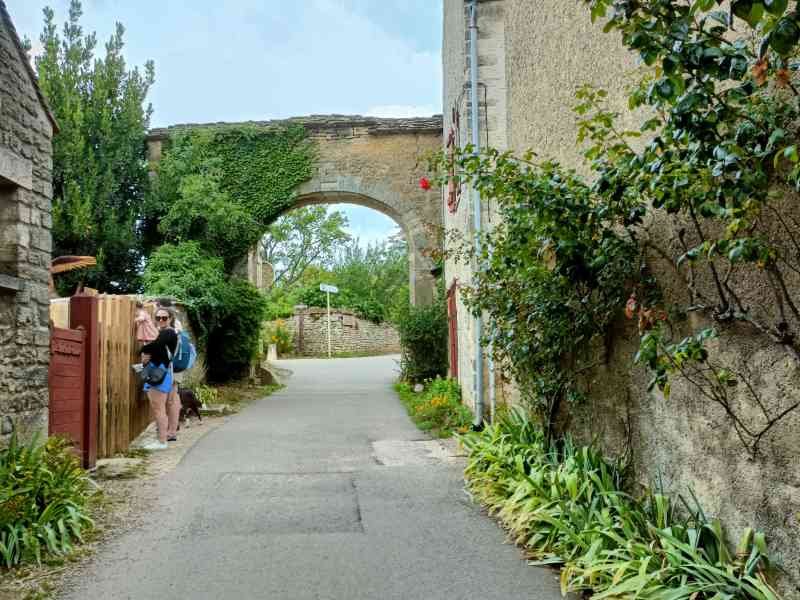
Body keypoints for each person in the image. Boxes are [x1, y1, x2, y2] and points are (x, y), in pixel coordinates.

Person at [140, 307, 179, 450]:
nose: (161, 320)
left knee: (158, 409)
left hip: (159, 374)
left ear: (170, 318)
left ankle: (161, 441)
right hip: (161, 373)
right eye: (158, 318)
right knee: (159, 408)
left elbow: (156, 346)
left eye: (164, 317)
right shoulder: (162, 333)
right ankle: (162, 439)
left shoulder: (168, 333)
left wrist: (143, 350)